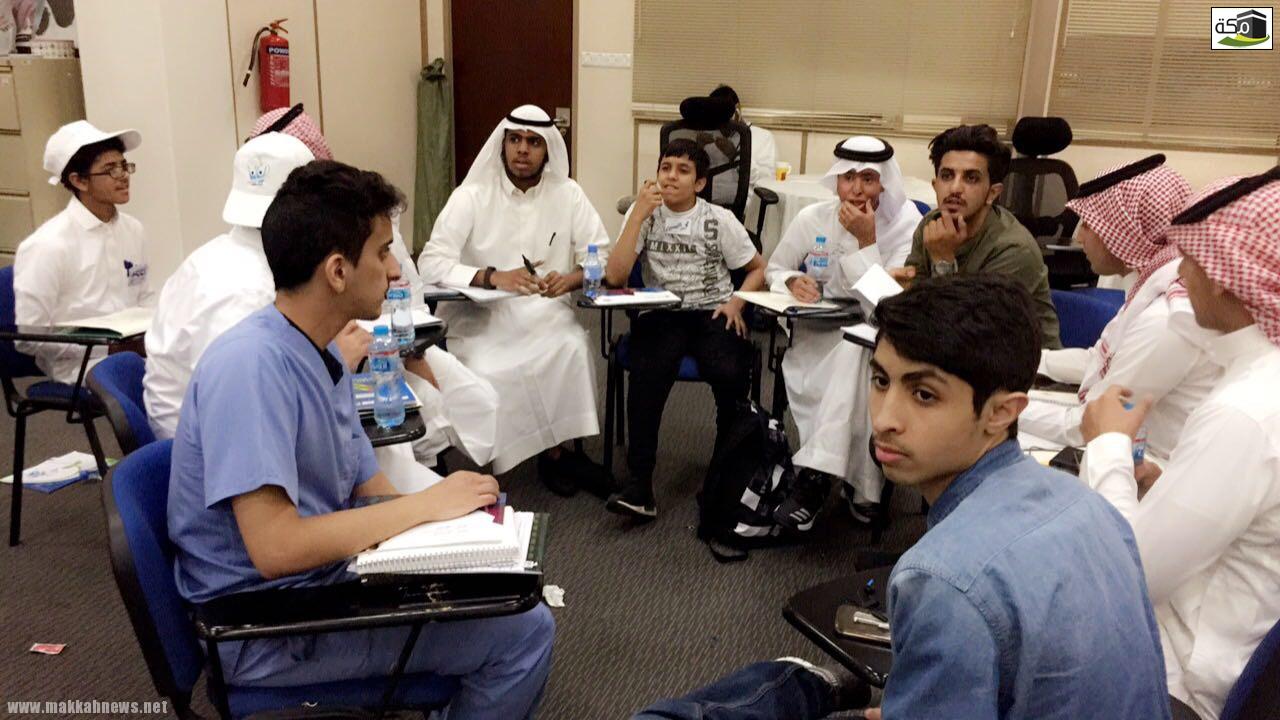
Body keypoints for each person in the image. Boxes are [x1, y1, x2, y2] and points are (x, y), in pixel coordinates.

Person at [631, 275, 1171, 719]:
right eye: (881, 380)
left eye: (924, 394)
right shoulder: (1088, 502)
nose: (886, 419)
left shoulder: (941, 577)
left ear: (1002, 412)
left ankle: (802, 686)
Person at [167, 160, 554, 718]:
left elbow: (366, 487)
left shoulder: (320, 352)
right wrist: (425, 506)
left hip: (320, 583)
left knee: (494, 587)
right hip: (267, 627)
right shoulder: (251, 367)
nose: (396, 270)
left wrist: (460, 538)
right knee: (524, 630)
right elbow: (276, 548)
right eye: (383, 252)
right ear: (337, 271)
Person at [1080, 167, 1280, 720]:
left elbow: (1130, 575)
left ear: (1224, 276)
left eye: (1190, 258)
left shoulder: (1246, 408)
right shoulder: (1258, 380)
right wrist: (1165, 484)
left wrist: (1107, 445)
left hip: (1174, 679)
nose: (1180, 274)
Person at [793, 124, 1064, 528]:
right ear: (934, 183)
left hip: (1013, 369)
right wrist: (912, 284)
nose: (955, 188)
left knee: (873, 357)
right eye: (947, 175)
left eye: (971, 178)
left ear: (992, 192)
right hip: (953, 356)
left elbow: (969, 332)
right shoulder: (932, 225)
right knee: (866, 351)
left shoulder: (1012, 248)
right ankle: (851, 482)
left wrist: (940, 262)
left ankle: (835, 477)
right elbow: (915, 314)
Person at [417, 104, 610, 494]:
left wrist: (571, 279)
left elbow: (601, 254)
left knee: (571, 346)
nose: (523, 149)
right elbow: (430, 261)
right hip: (482, 316)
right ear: (503, 144)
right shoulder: (471, 195)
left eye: (534, 142)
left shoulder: (568, 193)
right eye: (516, 140)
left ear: (547, 149)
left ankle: (556, 452)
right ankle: (525, 454)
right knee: (492, 365)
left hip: (544, 309)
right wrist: (492, 277)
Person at [764, 136, 923, 530]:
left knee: (857, 353)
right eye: (848, 177)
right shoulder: (812, 218)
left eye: (868, 178)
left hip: (878, 336)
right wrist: (792, 281)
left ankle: (816, 477)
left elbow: (889, 310)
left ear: (884, 183)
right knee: (853, 360)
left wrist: (866, 241)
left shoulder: (906, 225)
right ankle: (864, 488)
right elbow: (774, 269)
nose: (856, 189)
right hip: (817, 331)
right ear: (835, 180)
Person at [603, 139, 766, 518]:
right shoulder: (644, 214)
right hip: (662, 311)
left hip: (713, 310)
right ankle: (640, 486)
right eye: (665, 168)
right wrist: (637, 215)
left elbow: (759, 269)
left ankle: (722, 478)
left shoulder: (719, 219)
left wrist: (737, 303)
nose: (671, 177)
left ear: (700, 183)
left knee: (729, 373)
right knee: (647, 373)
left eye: (682, 170)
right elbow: (614, 277)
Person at [1022, 155, 1219, 459]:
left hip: (1148, 466)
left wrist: (993, 408)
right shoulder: (1151, 282)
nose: (1079, 237)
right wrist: (1024, 361)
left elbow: (1093, 424)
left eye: (1089, 224)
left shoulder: (1167, 317)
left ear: (1125, 230)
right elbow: (1099, 360)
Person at [14, 120, 153, 384]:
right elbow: (30, 338)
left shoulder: (133, 230)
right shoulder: (47, 245)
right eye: (110, 170)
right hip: (79, 365)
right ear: (79, 181)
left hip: (134, 354)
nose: (123, 175)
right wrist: (105, 348)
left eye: (124, 165)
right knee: (155, 385)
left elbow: (144, 299)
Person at [710, 84, 777, 189]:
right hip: (711, 195)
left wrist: (736, 156)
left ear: (737, 111)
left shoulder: (763, 137)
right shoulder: (712, 136)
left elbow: (767, 179)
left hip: (744, 197)